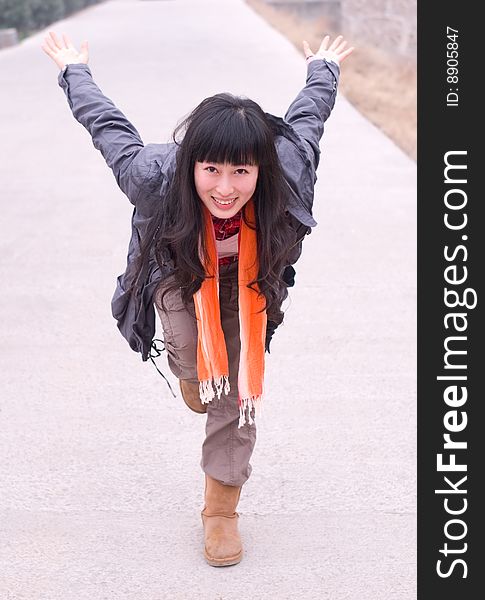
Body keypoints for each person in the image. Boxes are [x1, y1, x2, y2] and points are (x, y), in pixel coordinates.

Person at [41, 30, 354, 567]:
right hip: (179, 271)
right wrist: (75, 70)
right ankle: (193, 374)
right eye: (212, 170)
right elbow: (109, 128)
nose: (226, 188)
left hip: (248, 284)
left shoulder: (289, 170)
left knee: (234, 393)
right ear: (191, 167)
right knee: (192, 357)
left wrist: (322, 67)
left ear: (261, 167)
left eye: (241, 171)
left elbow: (309, 117)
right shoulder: (154, 177)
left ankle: (221, 512)